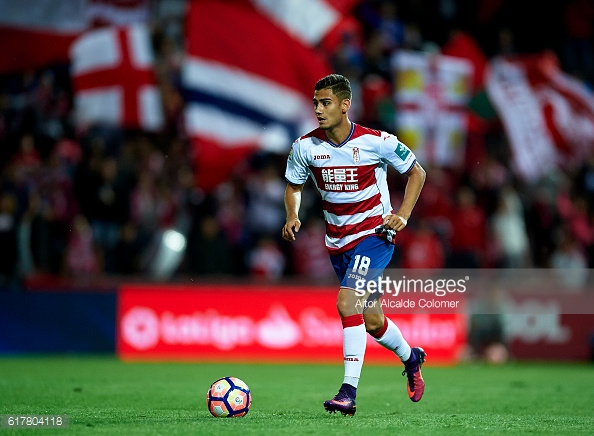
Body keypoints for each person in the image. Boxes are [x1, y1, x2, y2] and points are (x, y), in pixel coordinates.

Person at [282, 74, 427, 415]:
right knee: (372, 320)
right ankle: (411, 357)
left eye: (326, 103)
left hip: (374, 237)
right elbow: (294, 185)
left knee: (347, 303)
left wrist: (402, 215)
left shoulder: (378, 141)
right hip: (338, 243)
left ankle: (348, 392)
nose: (318, 109)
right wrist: (292, 215)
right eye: (316, 102)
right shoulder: (305, 147)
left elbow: (417, 172)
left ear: (345, 105)